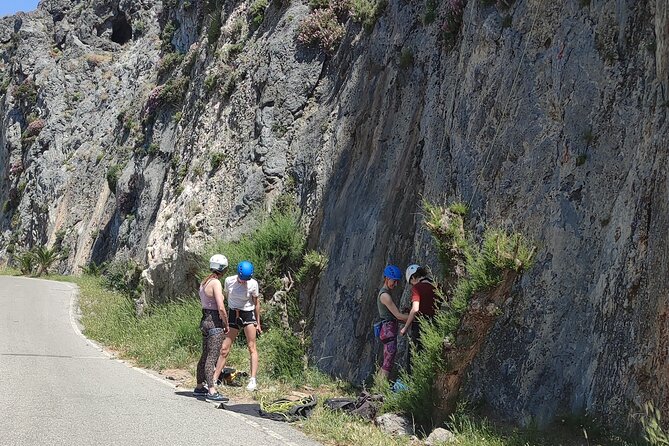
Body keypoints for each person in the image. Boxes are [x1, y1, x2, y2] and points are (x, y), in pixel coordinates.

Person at [213, 260, 261, 391]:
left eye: (246, 279)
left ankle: (252, 380)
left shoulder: (253, 284)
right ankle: (214, 379)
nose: (244, 282)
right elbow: (227, 296)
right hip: (234, 312)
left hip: (247, 313)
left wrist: (258, 322)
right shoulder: (229, 281)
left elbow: (256, 303)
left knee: (252, 346)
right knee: (224, 348)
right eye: (242, 279)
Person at [194, 254, 230, 403]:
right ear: (223, 269)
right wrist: (226, 323)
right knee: (212, 357)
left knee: (205, 355)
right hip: (214, 321)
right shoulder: (215, 283)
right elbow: (221, 307)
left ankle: (199, 386)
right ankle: (212, 390)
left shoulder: (204, 282)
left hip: (204, 320)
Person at [400, 264, 438, 374]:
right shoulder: (437, 286)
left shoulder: (417, 288)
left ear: (413, 278)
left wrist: (405, 327)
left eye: (410, 282)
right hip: (435, 324)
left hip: (420, 326)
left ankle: (411, 386)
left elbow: (415, 309)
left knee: (413, 359)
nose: (411, 284)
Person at [377, 265, 408, 379]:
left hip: (387, 330)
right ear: (387, 278)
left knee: (387, 360)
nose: (395, 284)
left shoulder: (385, 293)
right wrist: (413, 316)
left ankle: (378, 387)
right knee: (388, 363)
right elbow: (398, 315)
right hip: (388, 330)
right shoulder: (385, 296)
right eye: (394, 281)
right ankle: (380, 388)